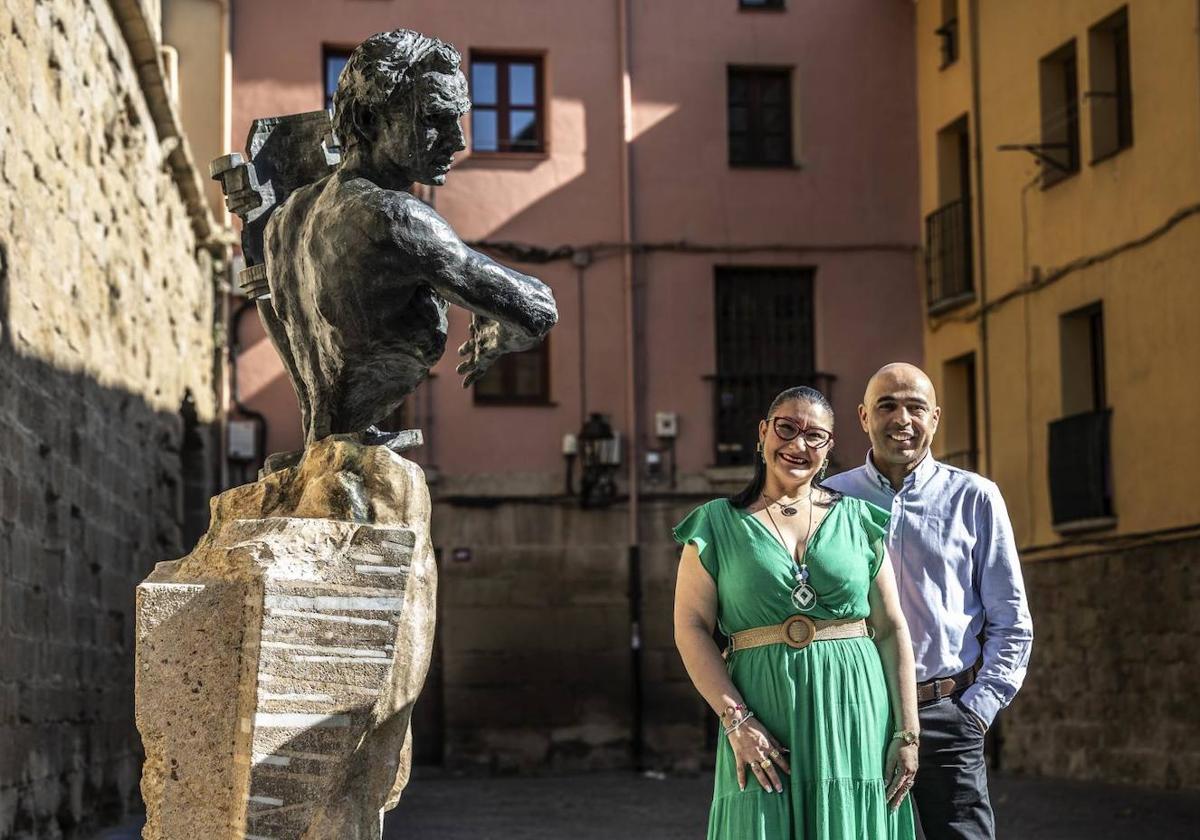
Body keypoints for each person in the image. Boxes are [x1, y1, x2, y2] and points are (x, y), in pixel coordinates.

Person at [262, 29, 558, 444]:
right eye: (435, 119)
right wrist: (500, 328)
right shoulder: (396, 217)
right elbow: (537, 308)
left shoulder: (285, 219)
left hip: (324, 445)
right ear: (368, 120)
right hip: (356, 466)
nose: (458, 141)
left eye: (458, 118)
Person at [673, 386, 918, 840]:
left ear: (828, 450)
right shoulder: (713, 524)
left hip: (855, 711)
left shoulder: (860, 520)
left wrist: (908, 734)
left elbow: (890, 628)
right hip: (760, 712)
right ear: (763, 433)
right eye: (786, 428)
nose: (798, 444)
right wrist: (737, 723)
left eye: (815, 436)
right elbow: (690, 629)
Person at [823, 363, 1033, 840]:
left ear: (935, 417)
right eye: (888, 406)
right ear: (862, 417)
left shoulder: (976, 497)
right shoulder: (830, 500)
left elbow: (1012, 620)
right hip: (860, 714)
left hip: (949, 712)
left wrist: (976, 710)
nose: (903, 419)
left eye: (916, 407)